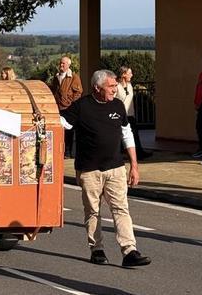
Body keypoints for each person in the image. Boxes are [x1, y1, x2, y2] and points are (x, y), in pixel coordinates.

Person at [61, 69, 151, 268]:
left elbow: (127, 135)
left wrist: (134, 166)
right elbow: (61, 124)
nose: (114, 89)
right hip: (89, 170)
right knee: (93, 211)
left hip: (116, 168)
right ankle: (97, 249)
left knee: (121, 208)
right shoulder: (81, 106)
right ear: (97, 88)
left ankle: (129, 251)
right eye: (110, 86)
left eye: (114, 86)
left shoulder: (118, 106)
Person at [50, 56, 83, 157]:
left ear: (68, 65)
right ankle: (61, 151)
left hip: (68, 108)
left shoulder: (74, 77)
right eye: (60, 63)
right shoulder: (56, 77)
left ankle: (68, 152)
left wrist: (72, 103)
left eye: (63, 63)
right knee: (60, 129)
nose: (61, 65)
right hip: (58, 108)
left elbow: (79, 92)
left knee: (69, 130)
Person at [116, 66, 151, 160]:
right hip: (120, 115)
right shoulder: (116, 86)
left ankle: (139, 152)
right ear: (123, 74)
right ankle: (120, 153)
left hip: (130, 114)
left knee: (134, 133)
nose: (131, 75)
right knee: (119, 135)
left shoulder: (130, 85)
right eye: (129, 73)